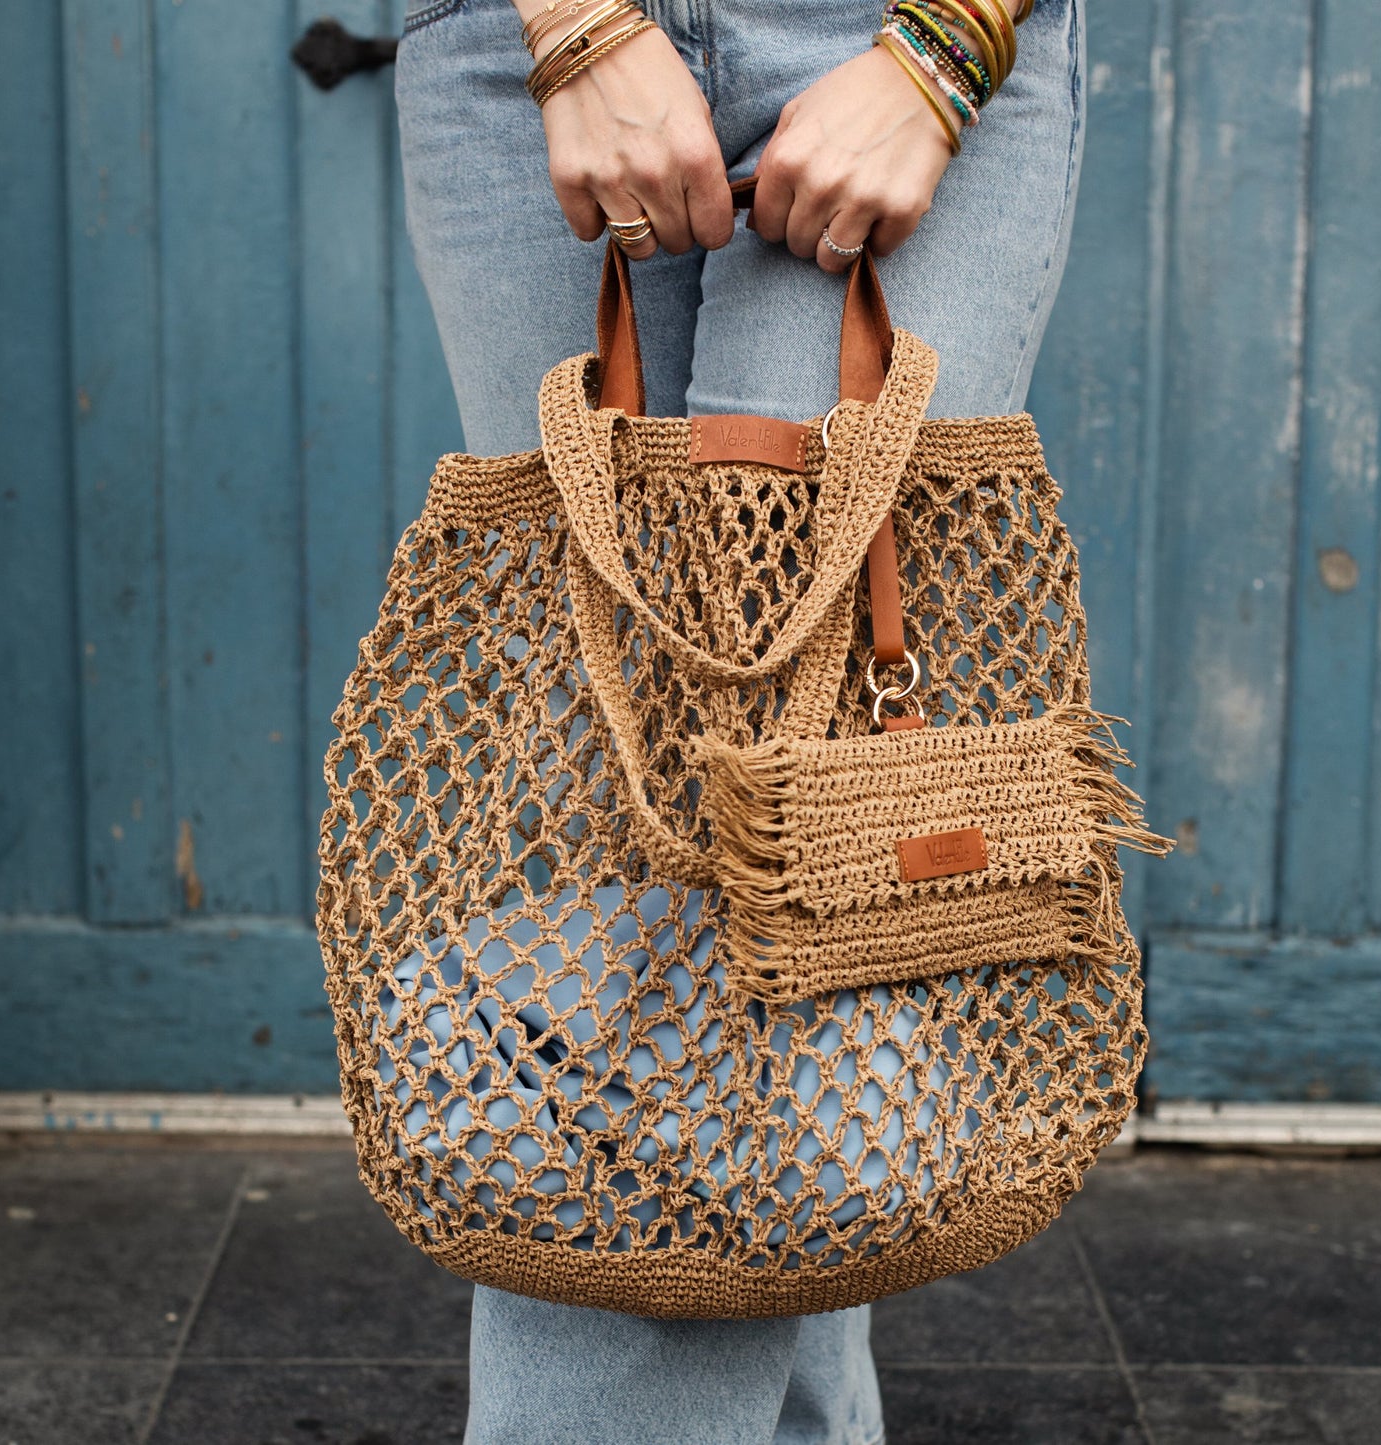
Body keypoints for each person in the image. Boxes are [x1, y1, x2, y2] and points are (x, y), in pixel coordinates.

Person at [393, 1, 1084, 1439]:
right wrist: (577, 25)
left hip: (895, 45)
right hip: (518, 54)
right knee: (630, 846)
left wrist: (946, 44)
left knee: (731, 903)